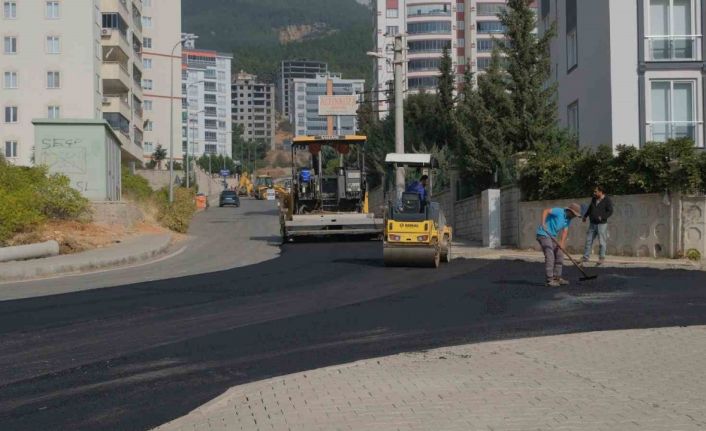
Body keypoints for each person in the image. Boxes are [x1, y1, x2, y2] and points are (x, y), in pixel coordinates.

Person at [536, 203, 582, 287]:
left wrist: (562, 243)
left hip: (552, 236)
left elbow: (565, 231)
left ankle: (557, 277)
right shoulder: (559, 211)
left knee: (559, 254)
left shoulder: (568, 219)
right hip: (543, 234)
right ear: (570, 211)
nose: (574, 216)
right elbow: (545, 211)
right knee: (550, 255)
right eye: (574, 214)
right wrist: (543, 223)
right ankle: (549, 280)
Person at [582, 185, 613, 266]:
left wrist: (602, 217)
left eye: (596, 191)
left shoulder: (607, 200)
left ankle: (601, 258)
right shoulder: (594, 199)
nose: (594, 193)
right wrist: (585, 216)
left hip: (601, 225)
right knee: (588, 240)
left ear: (600, 192)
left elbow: (610, 211)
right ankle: (585, 257)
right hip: (592, 224)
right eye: (594, 191)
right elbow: (590, 208)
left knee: (602, 242)